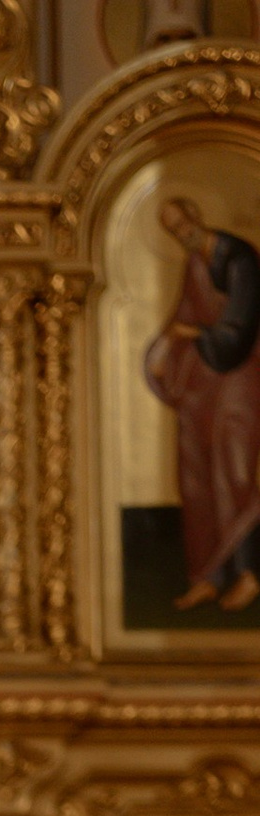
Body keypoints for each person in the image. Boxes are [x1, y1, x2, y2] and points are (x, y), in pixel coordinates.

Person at [146, 195, 260, 614]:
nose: (181, 234)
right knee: (195, 475)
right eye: (173, 232)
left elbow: (237, 333)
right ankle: (207, 578)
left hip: (241, 381)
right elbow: (180, 317)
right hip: (204, 385)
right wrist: (160, 350)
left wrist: (191, 332)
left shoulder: (239, 258)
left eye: (183, 224)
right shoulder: (194, 263)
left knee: (235, 472)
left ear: (197, 215)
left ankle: (249, 575)